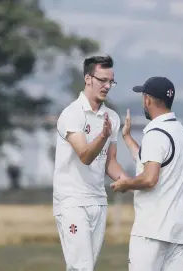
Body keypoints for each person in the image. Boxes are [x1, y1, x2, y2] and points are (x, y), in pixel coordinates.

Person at [111, 77, 183, 271]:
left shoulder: (155, 133)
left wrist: (127, 184)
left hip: (153, 229)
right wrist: (127, 138)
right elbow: (151, 160)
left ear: (148, 100)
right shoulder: (181, 133)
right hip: (180, 230)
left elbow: (150, 178)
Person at [53, 55, 128, 270]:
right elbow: (85, 156)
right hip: (72, 200)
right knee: (81, 266)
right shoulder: (71, 114)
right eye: (102, 80)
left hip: (98, 201)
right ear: (88, 78)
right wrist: (102, 137)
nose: (107, 86)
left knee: (86, 266)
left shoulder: (111, 117)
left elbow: (110, 163)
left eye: (110, 81)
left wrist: (131, 183)